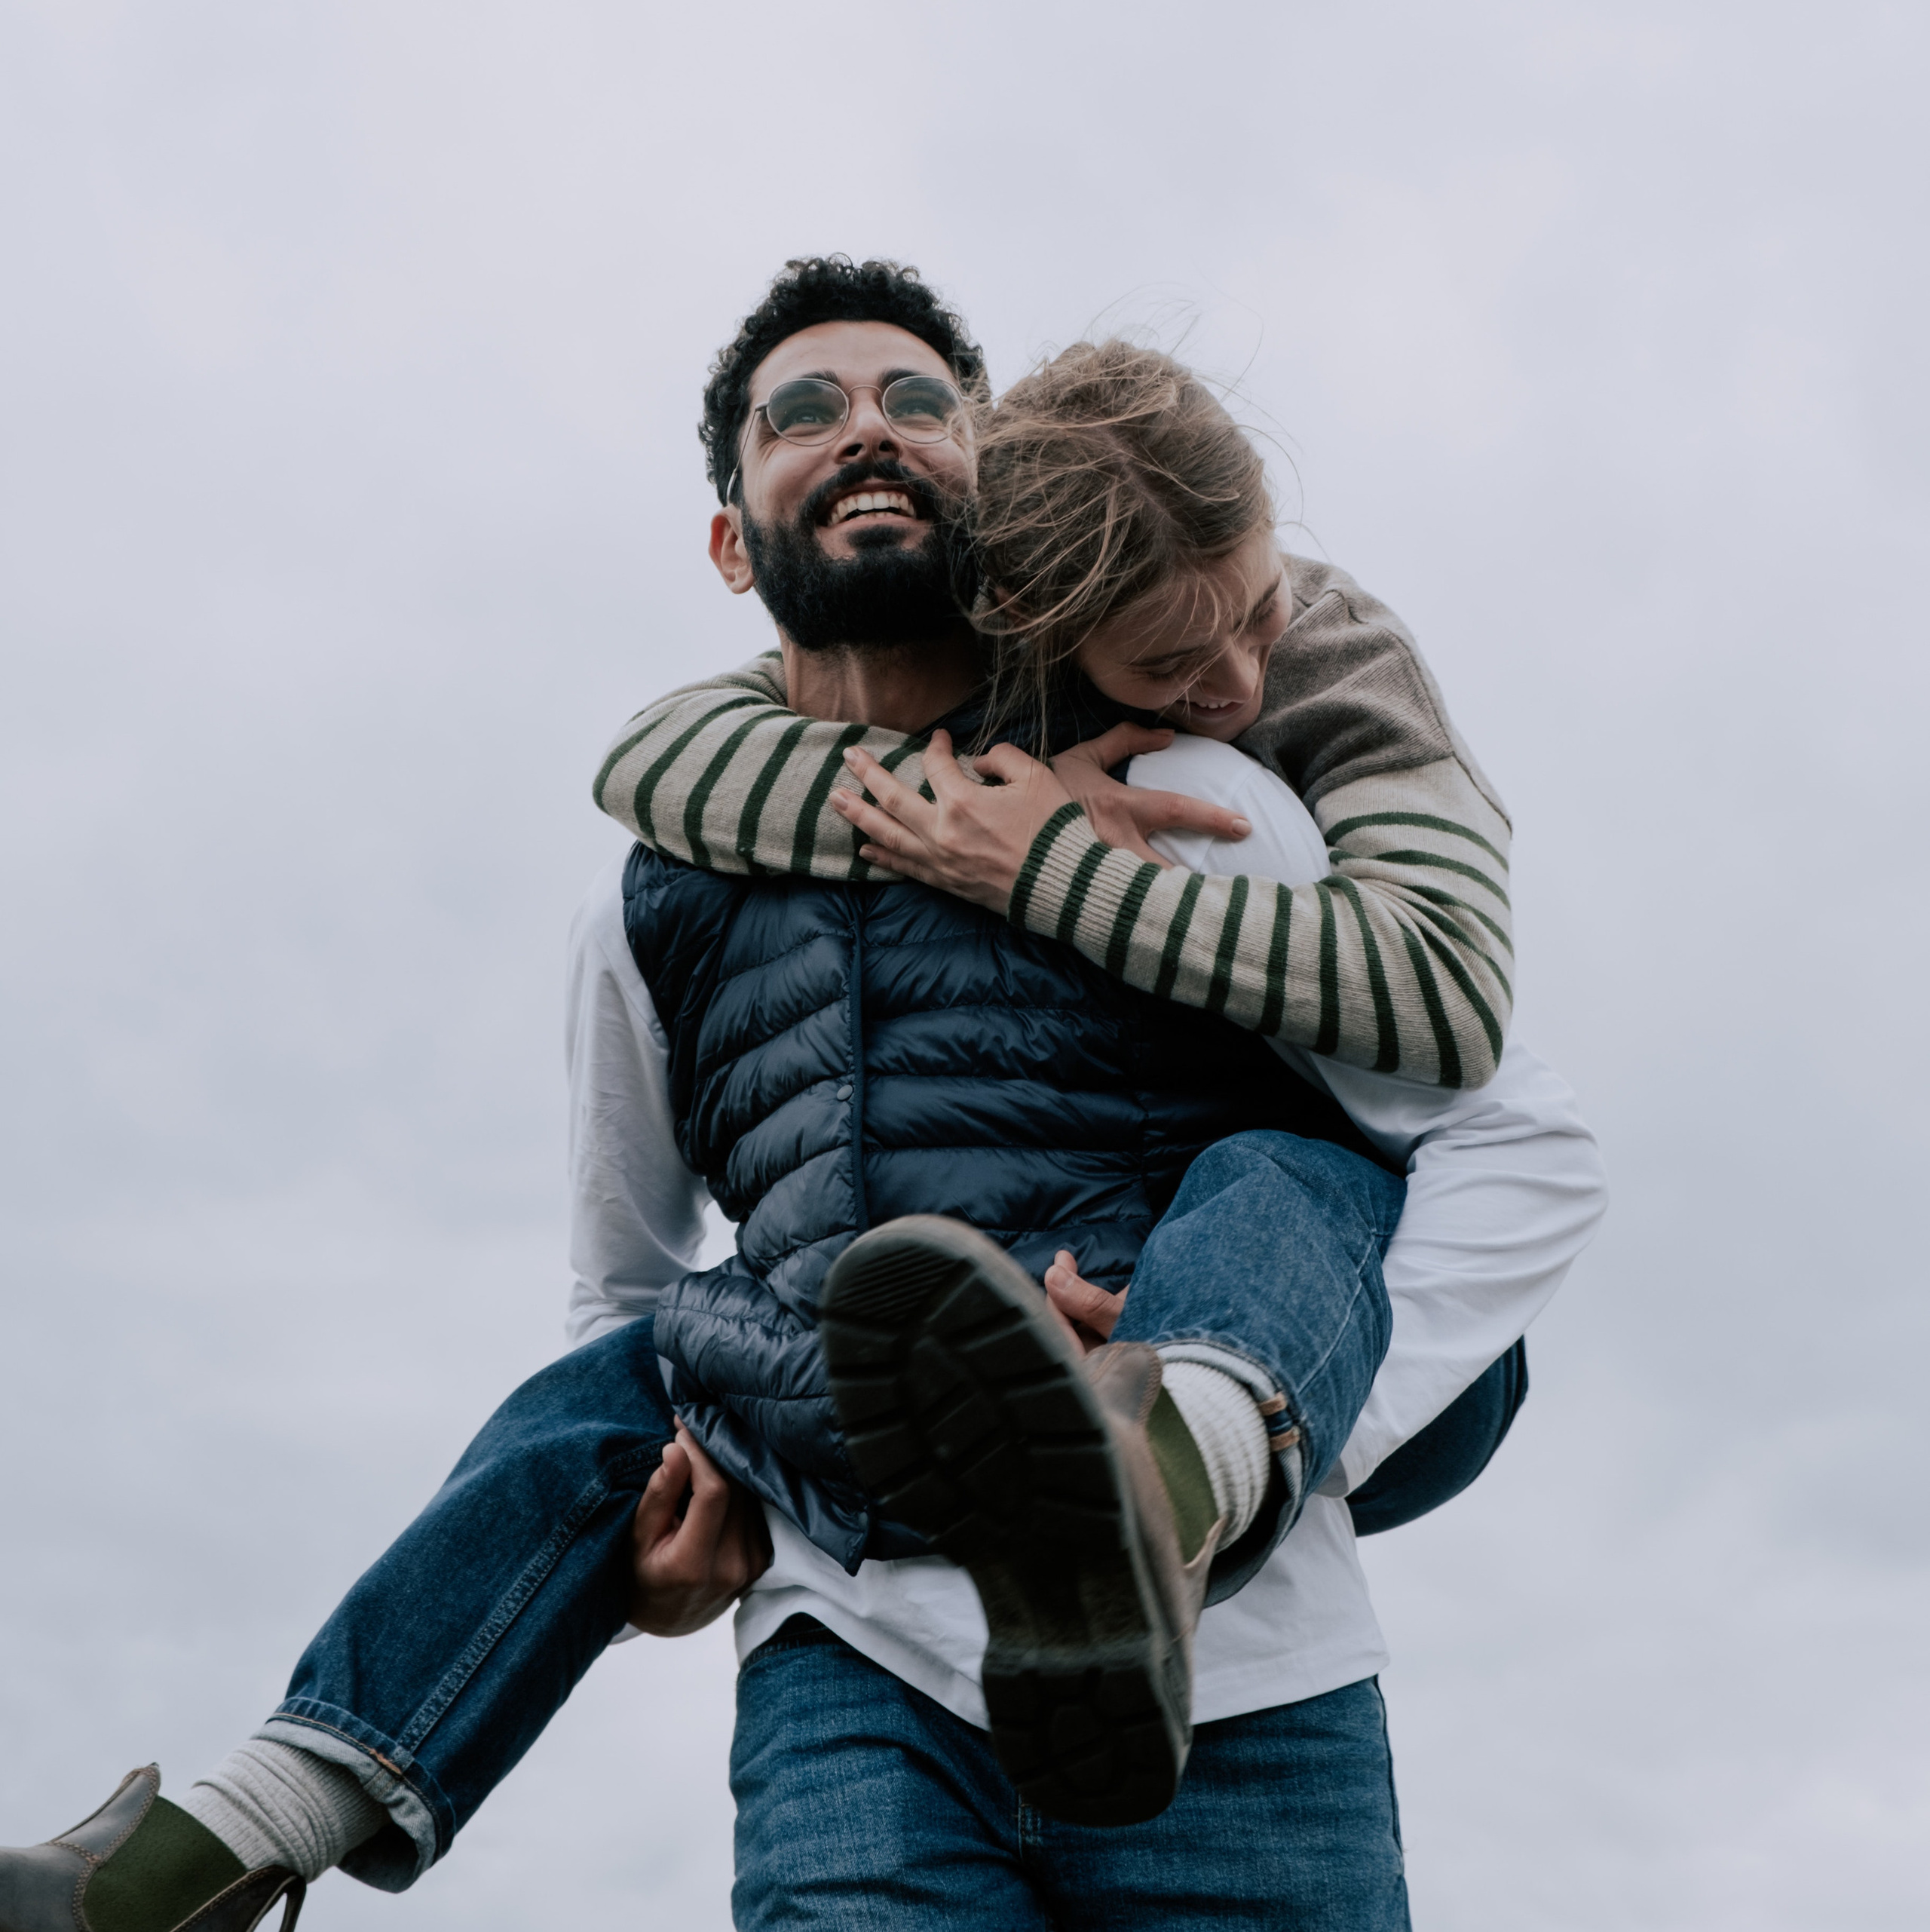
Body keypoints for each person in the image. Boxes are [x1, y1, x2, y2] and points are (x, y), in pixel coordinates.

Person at [0, 259, 1602, 1932]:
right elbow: (615, 1290)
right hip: (854, 1672)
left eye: (922, 405)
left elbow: (1491, 1131)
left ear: (1015, 516)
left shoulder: (1184, 795)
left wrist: (1269, 1443)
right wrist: (643, 1561)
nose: (869, 432)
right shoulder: (650, 901)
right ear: (726, 536)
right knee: (660, 1348)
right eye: (805, 411)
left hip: (1243, 1696)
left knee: (1297, 1167)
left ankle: (1158, 1483)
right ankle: (223, 1838)